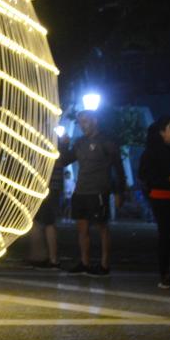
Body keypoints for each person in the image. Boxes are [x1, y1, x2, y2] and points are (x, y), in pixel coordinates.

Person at [61, 111, 127, 276]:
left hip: (98, 191)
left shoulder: (106, 141)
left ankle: (104, 264)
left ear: (94, 121)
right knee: (82, 228)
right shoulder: (79, 143)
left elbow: (119, 167)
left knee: (102, 227)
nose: (83, 125)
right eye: (80, 122)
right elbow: (64, 161)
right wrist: (63, 145)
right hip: (81, 191)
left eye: (85, 121)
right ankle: (85, 262)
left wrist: (120, 191)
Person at [138, 116, 170, 289]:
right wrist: (168, 179)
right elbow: (145, 175)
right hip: (161, 198)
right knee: (165, 236)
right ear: (162, 132)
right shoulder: (151, 152)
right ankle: (164, 274)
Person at [27, 138, 66, 270]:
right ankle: (39, 256)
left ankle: (52, 259)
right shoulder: (52, 143)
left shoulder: (50, 144)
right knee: (38, 221)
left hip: (46, 189)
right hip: (43, 188)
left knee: (47, 222)